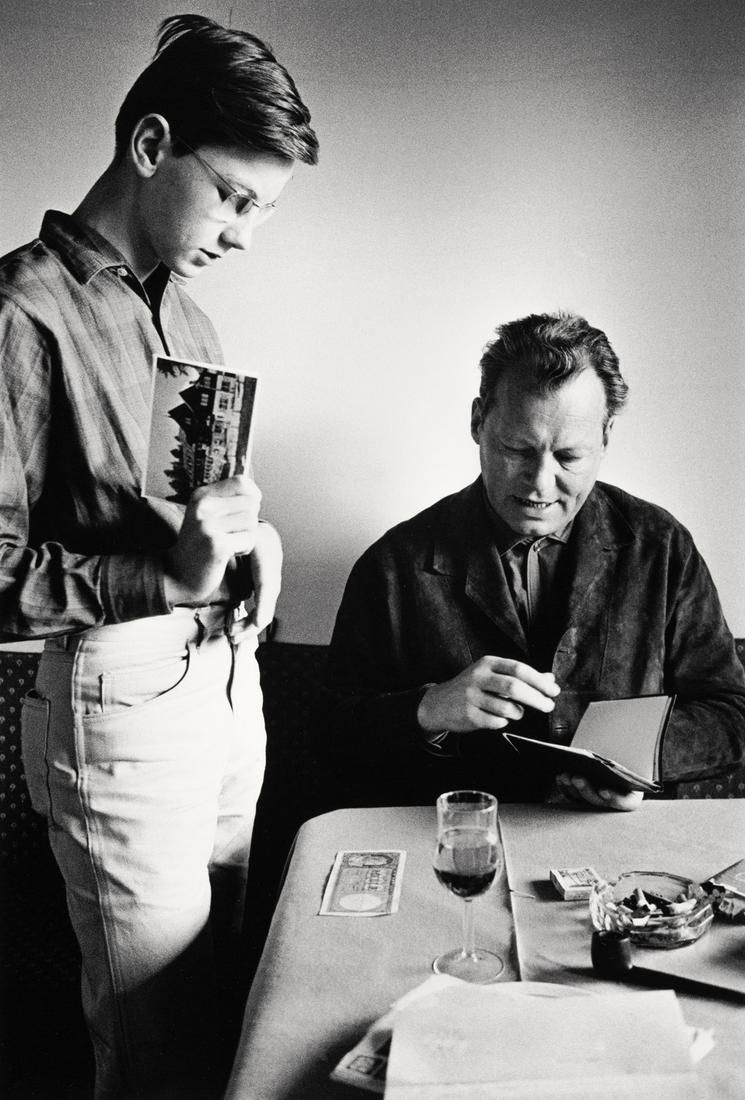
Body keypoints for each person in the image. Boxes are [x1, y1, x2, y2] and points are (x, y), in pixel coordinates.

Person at [0, 14, 317, 1100]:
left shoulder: (192, 317)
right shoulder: (16, 314)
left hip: (228, 685)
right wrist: (160, 581)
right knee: (158, 1056)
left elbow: (184, 518)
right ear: (149, 146)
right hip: (115, 697)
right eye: (233, 196)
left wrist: (246, 546)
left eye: (261, 212)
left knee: (229, 1012)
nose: (243, 234)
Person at [320, 311, 745, 813]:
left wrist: (637, 763)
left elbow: (731, 716)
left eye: (569, 457)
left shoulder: (662, 546)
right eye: (517, 449)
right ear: (478, 421)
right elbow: (330, 736)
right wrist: (427, 708)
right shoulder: (393, 564)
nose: (539, 485)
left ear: (606, 437)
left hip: (614, 848)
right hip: (456, 842)